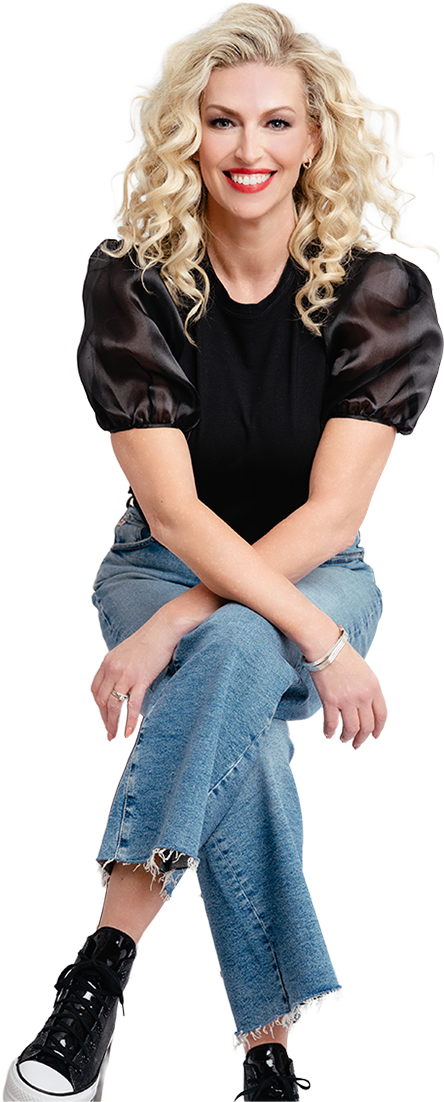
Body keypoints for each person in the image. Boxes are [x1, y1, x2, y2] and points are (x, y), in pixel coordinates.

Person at [5, 5, 442, 1102]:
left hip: (308, 568)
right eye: (222, 122)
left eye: (276, 123)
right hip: (162, 557)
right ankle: (273, 1052)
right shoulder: (133, 280)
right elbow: (180, 511)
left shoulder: (383, 292)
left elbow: (335, 518)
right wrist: (314, 642)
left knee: (233, 649)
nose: (249, 150)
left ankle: (104, 964)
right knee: (244, 684)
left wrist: (185, 627)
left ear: (314, 142)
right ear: (185, 136)